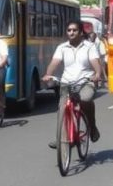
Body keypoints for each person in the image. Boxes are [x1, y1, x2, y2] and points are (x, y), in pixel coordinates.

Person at [43, 19, 104, 148]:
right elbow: (54, 63)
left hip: (85, 81)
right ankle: (62, 139)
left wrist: (97, 75)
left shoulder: (89, 46)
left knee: (85, 99)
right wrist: (48, 74)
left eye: (74, 30)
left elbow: (96, 64)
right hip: (67, 83)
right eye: (69, 30)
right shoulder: (62, 47)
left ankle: (92, 127)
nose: (71, 33)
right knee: (62, 109)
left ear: (81, 32)